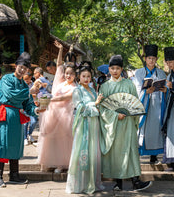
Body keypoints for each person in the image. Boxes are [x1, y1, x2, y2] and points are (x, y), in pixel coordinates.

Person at [99, 55, 152, 191]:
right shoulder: (105, 87)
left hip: (128, 123)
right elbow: (102, 108)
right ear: (109, 69)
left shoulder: (129, 84)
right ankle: (118, 182)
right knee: (116, 153)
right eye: (112, 68)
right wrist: (116, 115)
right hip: (114, 125)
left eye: (117, 68)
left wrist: (130, 114)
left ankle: (136, 181)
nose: (115, 71)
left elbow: (134, 103)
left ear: (122, 69)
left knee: (130, 151)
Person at [0, 52, 43, 187]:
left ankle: (14, 175)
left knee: (16, 145)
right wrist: (29, 91)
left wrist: (35, 110)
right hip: (7, 113)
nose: (22, 70)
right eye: (20, 67)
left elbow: (28, 103)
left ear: (27, 71)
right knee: (3, 143)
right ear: (16, 66)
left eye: (25, 69)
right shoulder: (6, 79)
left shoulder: (23, 84)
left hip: (18, 116)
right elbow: (11, 95)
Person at [37, 43, 77, 174]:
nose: (68, 76)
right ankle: (51, 162)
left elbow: (63, 98)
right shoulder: (60, 81)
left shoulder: (75, 87)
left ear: (75, 75)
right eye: (66, 74)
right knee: (51, 140)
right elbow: (59, 64)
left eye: (71, 74)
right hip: (53, 114)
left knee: (64, 140)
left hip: (66, 115)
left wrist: (48, 99)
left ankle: (62, 164)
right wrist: (60, 50)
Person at [66, 62, 104, 194]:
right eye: (84, 76)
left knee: (93, 152)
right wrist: (95, 104)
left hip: (94, 124)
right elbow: (80, 108)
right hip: (84, 125)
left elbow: (96, 106)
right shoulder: (77, 90)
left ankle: (91, 182)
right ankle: (79, 184)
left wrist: (98, 105)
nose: (86, 78)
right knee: (82, 152)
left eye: (88, 76)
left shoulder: (93, 90)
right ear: (79, 77)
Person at [133, 44, 167, 164]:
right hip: (144, 104)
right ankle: (138, 153)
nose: (151, 61)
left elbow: (166, 87)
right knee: (142, 129)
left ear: (156, 59)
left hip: (157, 104)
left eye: (153, 58)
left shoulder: (161, 73)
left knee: (155, 130)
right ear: (145, 59)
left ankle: (154, 156)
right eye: (149, 58)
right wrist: (145, 92)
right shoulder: (138, 73)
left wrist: (164, 90)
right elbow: (136, 89)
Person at [23, 73, 39, 146]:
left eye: (27, 79)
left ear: (30, 78)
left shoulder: (33, 84)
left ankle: (30, 134)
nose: (26, 81)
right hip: (25, 106)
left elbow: (37, 92)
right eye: (25, 79)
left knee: (34, 121)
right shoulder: (22, 85)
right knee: (25, 123)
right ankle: (25, 138)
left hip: (33, 105)